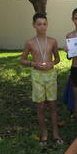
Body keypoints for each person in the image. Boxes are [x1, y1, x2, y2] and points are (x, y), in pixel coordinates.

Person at [20, 12, 62, 146]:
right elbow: (22, 60)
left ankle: (55, 133)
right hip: (37, 76)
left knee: (53, 105)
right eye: (39, 24)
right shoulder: (30, 42)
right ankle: (44, 133)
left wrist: (52, 63)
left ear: (47, 25)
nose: (42, 27)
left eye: (44, 24)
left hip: (50, 75)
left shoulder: (53, 41)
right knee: (40, 107)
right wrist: (34, 64)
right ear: (34, 25)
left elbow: (57, 58)